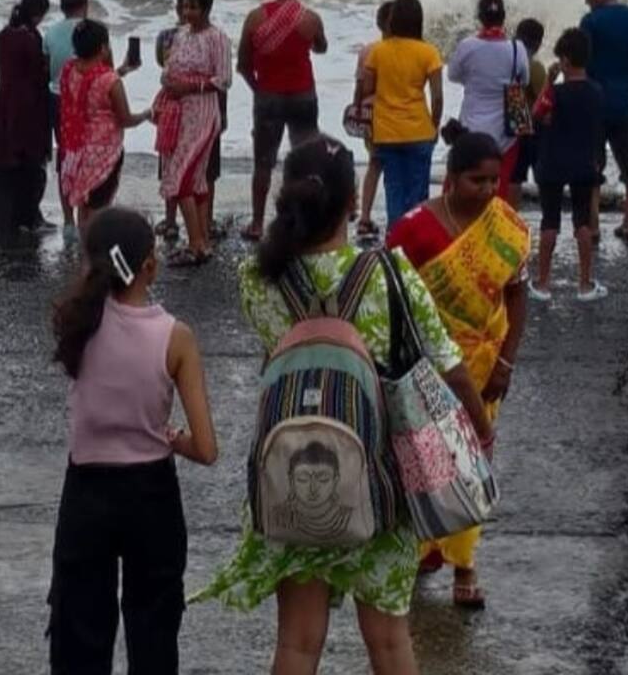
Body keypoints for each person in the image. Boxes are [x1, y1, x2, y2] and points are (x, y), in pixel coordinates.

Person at [196, 139, 490, 675]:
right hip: (381, 484)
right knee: (389, 642)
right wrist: (479, 430)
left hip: (291, 475)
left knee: (298, 643)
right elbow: (450, 365)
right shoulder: (390, 274)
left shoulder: (258, 279)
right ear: (354, 203)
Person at [49, 208, 218, 674]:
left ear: (89, 262)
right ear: (151, 264)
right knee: (154, 633)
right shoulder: (175, 336)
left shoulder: (75, 324)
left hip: (86, 490)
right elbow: (207, 449)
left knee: (79, 633)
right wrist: (172, 436)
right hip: (151, 493)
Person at [384, 130, 530, 608]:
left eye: (494, 179)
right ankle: (422, 549)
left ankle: (465, 566)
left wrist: (506, 359)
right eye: (476, 180)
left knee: (471, 463)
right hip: (428, 370)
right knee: (423, 461)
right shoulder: (413, 230)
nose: (488, 189)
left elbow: (517, 294)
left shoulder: (505, 226)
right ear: (450, 178)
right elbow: (392, 303)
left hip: (487, 366)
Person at [238, 0, 328, 242]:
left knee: (263, 162)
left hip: (268, 97)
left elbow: (243, 64)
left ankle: (256, 222)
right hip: (303, 95)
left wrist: (259, 89)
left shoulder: (255, 18)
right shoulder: (310, 19)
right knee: (305, 160)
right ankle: (303, 219)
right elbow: (322, 48)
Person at [153, 0, 231, 269]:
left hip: (203, 114)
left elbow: (223, 80)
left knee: (183, 178)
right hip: (179, 114)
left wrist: (190, 87)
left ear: (207, 8)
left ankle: (195, 242)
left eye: (194, 7)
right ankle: (202, 243)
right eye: (185, 7)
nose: (188, 13)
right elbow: (168, 68)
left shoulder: (218, 38)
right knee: (196, 180)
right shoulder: (180, 35)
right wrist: (169, 85)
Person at [528, 27, 606, 301]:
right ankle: (584, 284)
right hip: (584, 162)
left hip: (552, 162)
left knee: (550, 221)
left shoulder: (556, 93)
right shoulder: (596, 91)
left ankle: (543, 282)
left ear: (566, 60)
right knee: (582, 222)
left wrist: (550, 82)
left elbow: (538, 115)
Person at [576, 0, 628, 241]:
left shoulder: (590, 22)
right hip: (627, 102)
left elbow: (580, 65)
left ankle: (594, 225)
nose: (587, 2)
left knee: (593, 165)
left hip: (595, 104)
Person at [359, 0, 443, 231]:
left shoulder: (379, 52)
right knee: (418, 193)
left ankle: (395, 243)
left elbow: (367, 88)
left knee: (394, 191)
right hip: (419, 130)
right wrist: (434, 125)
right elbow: (437, 97)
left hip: (387, 131)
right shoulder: (429, 52)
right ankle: (417, 244)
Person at [0, 0, 55, 240]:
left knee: (6, 165)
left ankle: (1, 220)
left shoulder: (2, 36)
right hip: (29, 106)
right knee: (31, 164)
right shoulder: (31, 39)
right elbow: (40, 74)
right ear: (38, 13)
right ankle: (28, 217)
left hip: (4, 103)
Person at [59, 21, 148, 230]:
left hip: (77, 150)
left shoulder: (70, 70)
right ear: (102, 48)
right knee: (98, 207)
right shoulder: (110, 81)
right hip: (104, 154)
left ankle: (86, 252)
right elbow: (125, 119)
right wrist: (147, 114)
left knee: (85, 203)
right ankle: (94, 256)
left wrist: (123, 69)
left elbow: (93, 83)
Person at [446, 0, 532, 185]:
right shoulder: (517, 48)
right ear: (503, 17)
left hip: (470, 126)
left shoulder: (467, 46)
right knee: (497, 189)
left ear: (480, 18)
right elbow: (524, 80)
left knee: (464, 187)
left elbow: (453, 75)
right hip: (506, 131)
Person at [44, 0, 92, 226]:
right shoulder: (93, 31)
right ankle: (87, 212)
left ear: (62, 7)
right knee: (88, 157)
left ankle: (67, 219)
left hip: (57, 99)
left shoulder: (50, 33)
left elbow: (45, 71)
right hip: (87, 100)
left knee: (65, 156)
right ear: (85, 4)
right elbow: (106, 71)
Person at [352, 1, 392, 241]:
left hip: (373, 114)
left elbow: (361, 86)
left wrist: (357, 107)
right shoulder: (410, 50)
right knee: (396, 169)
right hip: (397, 115)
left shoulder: (368, 50)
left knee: (374, 165)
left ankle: (365, 216)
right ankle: (395, 216)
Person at [504, 18, 549, 206]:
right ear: (538, 43)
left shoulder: (504, 59)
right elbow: (545, 99)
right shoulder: (534, 67)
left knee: (511, 175)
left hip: (503, 123)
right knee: (525, 175)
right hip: (528, 126)